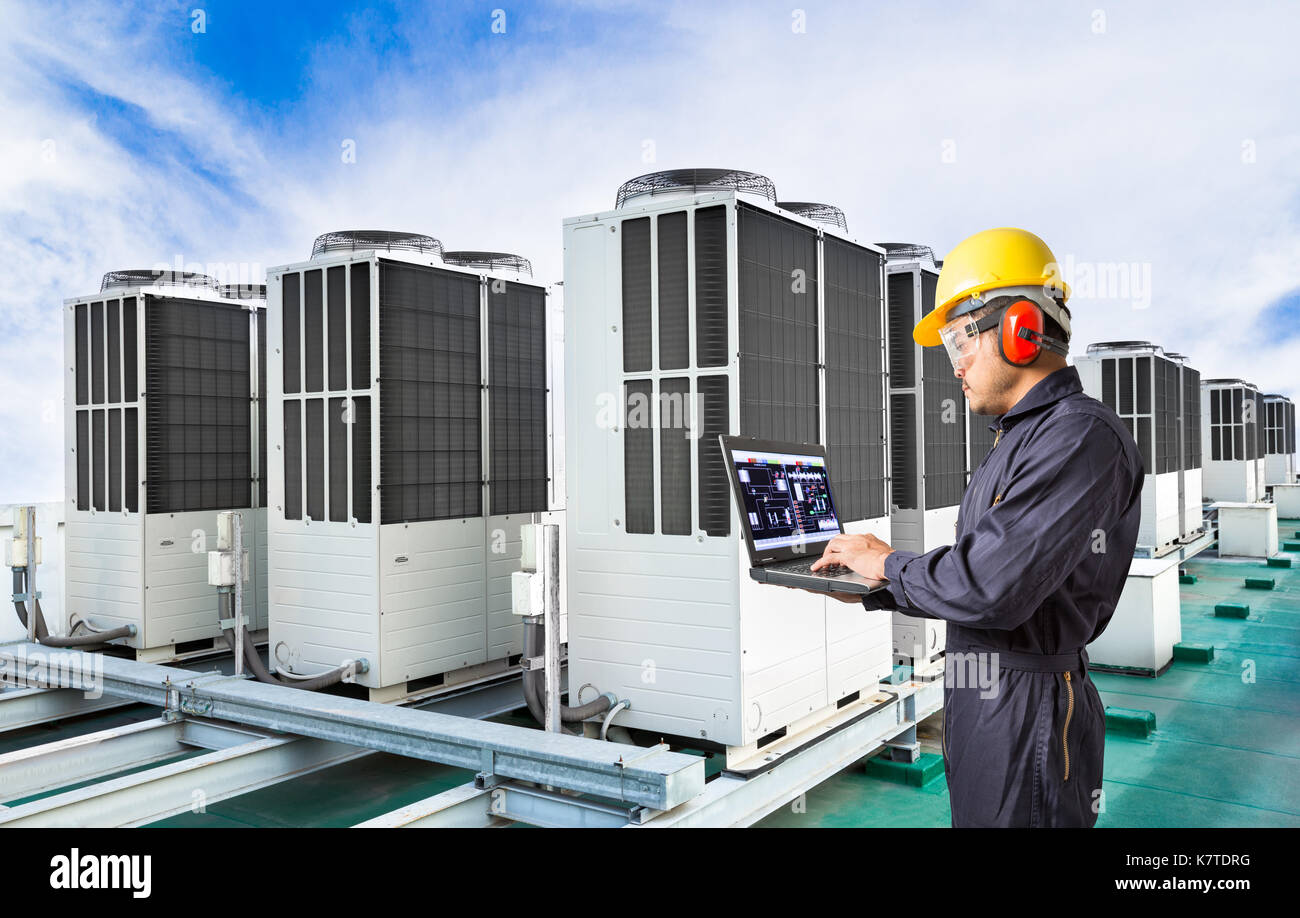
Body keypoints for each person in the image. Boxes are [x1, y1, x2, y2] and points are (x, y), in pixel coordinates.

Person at [810, 227, 1144, 827]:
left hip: (1031, 715)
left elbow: (992, 584)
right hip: (989, 705)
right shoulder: (1021, 438)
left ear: (1021, 329)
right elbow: (990, 565)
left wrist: (889, 564)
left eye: (961, 339)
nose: (955, 365)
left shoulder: (1079, 437)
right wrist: (878, 580)